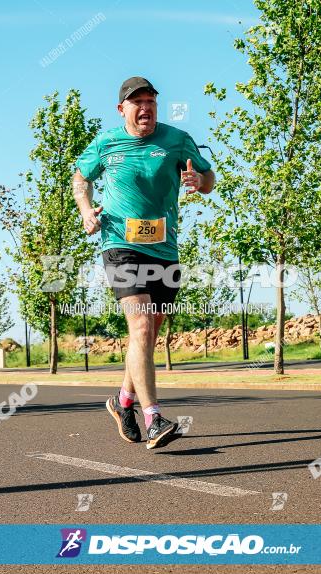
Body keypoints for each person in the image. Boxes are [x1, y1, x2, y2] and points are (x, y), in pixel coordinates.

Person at [73, 76, 215, 449]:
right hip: (120, 244)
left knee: (149, 334)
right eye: (137, 103)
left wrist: (199, 180)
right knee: (139, 326)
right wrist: (87, 211)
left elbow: (209, 177)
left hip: (165, 250)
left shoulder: (176, 139)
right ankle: (153, 418)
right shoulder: (106, 143)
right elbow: (80, 178)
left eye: (151, 102)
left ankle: (123, 402)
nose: (146, 109)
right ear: (122, 109)